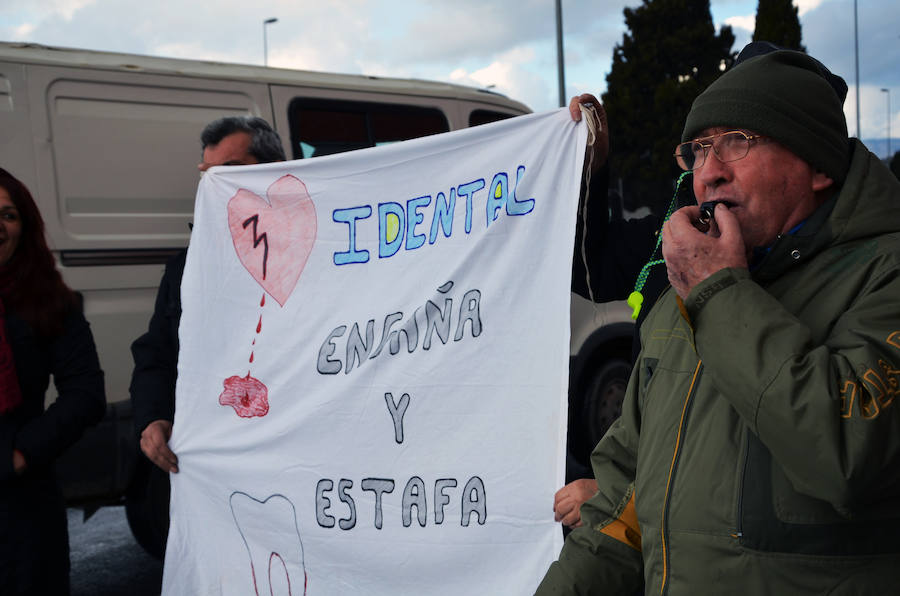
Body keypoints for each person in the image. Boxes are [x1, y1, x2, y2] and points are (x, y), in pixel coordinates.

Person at [538, 44, 900, 594]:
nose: (709, 173)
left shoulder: (881, 274)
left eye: (738, 142)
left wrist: (718, 291)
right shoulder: (677, 298)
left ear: (819, 165)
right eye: (699, 149)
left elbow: (848, 451)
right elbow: (620, 507)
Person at [128, 116, 286, 555]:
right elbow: (156, 353)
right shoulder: (186, 266)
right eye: (207, 173)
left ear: (269, 170)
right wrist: (152, 417)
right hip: (211, 473)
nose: (215, 183)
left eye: (229, 169)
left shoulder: (314, 255)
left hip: (284, 466)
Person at [0, 168, 105, 594]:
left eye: (8, 215)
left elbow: (85, 394)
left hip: (19, 505)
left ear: (24, 227)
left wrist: (21, 455)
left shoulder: (50, 302)